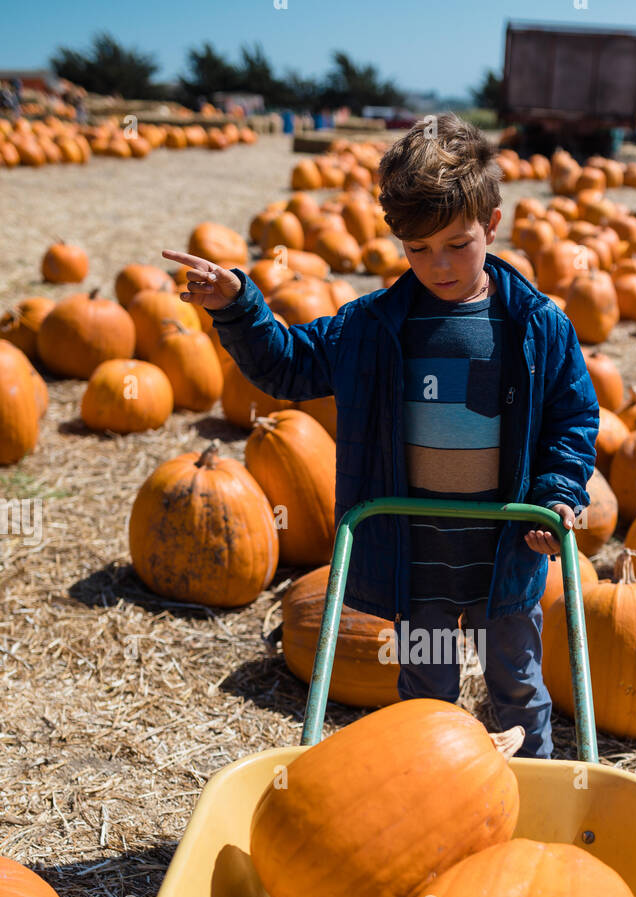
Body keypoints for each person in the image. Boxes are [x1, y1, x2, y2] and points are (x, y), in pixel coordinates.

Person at [162, 114, 598, 757]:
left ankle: (533, 806)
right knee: (424, 699)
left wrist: (557, 492)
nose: (440, 265)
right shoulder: (373, 328)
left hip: (505, 556)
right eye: (418, 250)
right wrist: (238, 307)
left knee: (518, 689)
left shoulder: (536, 326)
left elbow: (572, 417)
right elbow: (287, 365)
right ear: (397, 238)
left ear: (493, 225)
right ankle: (433, 803)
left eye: (458, 243)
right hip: (414, 558)